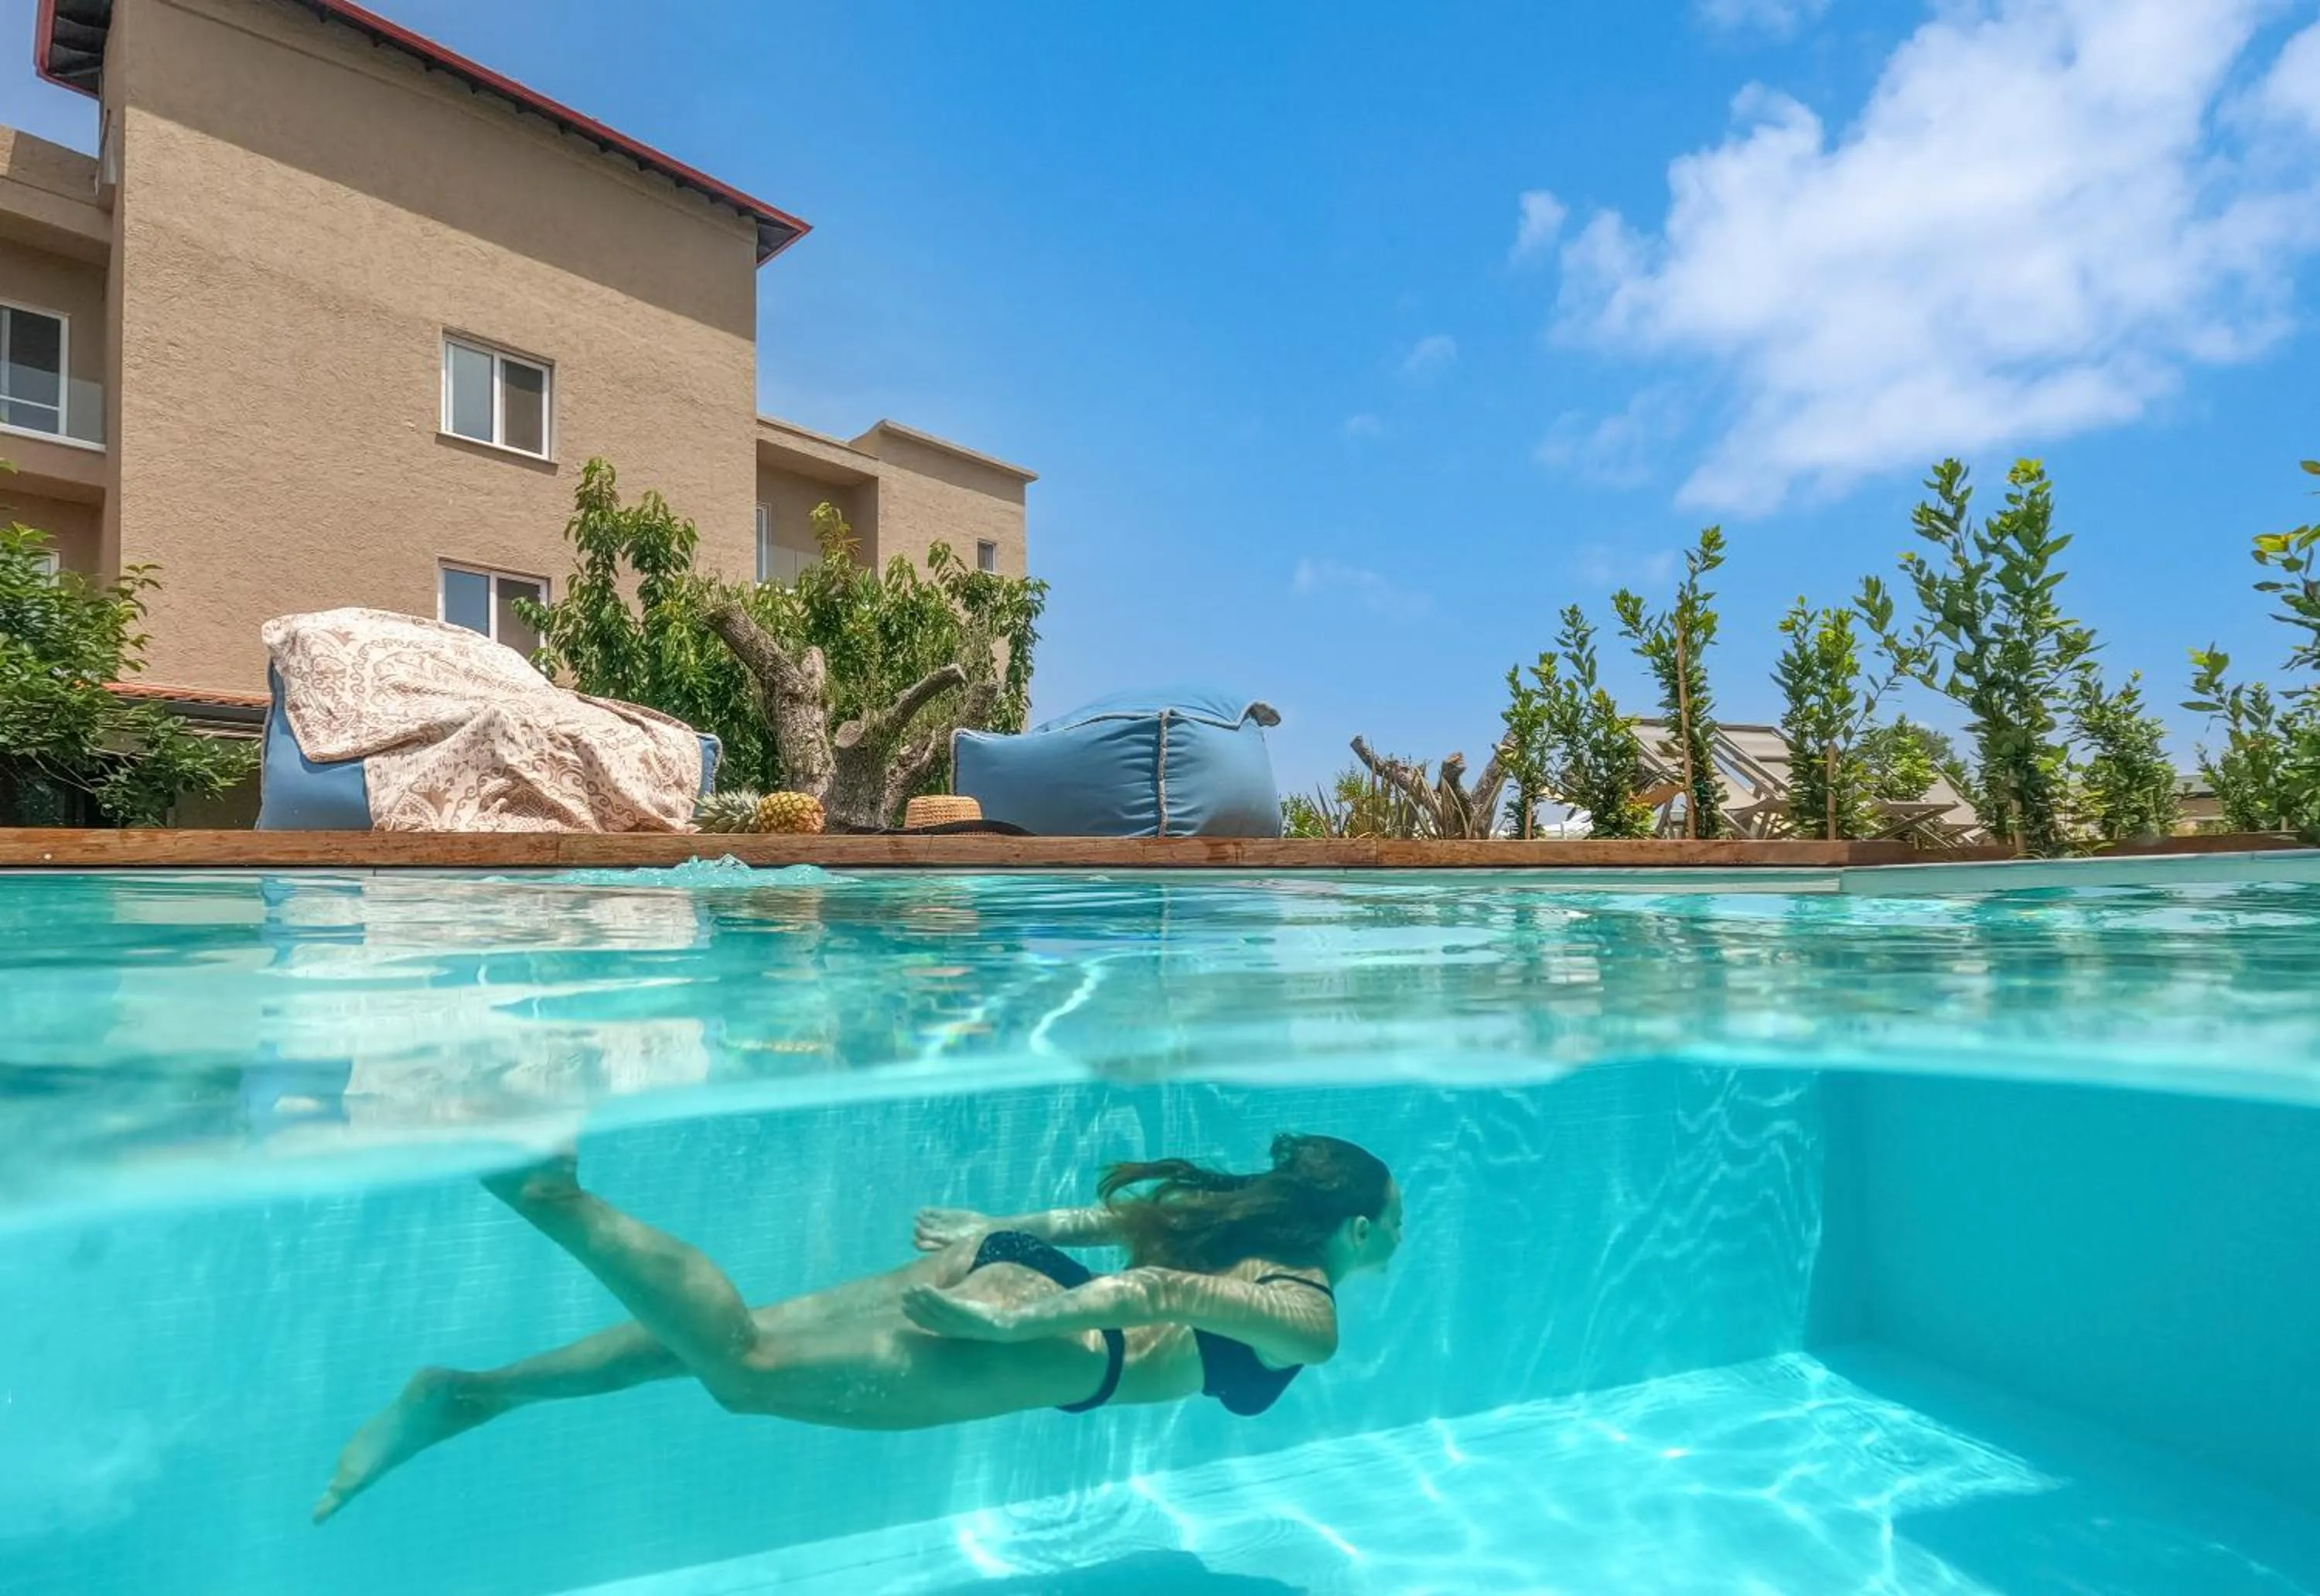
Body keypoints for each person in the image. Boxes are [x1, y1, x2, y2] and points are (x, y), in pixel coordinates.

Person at [313, 1132, 1401, 1523]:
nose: (1398, 1234)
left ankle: (469, 1392)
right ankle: (551, 1196)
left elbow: (1110, 1225)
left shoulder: (1233, 1227)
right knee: (744, 1370)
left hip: (1015, 1281)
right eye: (1394, 1221)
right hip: (1048, 1337)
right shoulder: (1309, 1317)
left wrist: (996, 1231)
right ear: (1354, 1225)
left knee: (698, 1349)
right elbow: (1151, 1296)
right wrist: (1012, 1332)